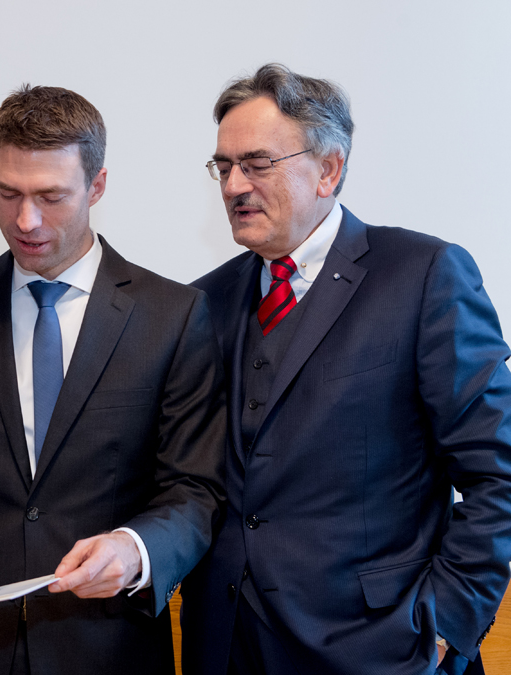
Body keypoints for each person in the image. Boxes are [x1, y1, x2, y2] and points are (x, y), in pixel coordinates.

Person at [182, 63, 511, 675]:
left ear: (328, 168)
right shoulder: (203, 302)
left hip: (382, 651)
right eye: (222, 166)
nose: (232, 186)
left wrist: (444, 628)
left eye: (255, 163)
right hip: (225, 646)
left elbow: (500, 473)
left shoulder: (424, 275)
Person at [0, 84, 227, 675]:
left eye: (51, 197)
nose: (26, 221)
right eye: (8, 194)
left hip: (112, 647)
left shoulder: (174, 316)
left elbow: (195, 489)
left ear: (97, 186)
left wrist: (136, 549)